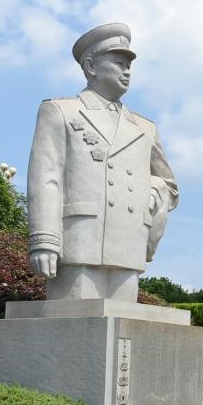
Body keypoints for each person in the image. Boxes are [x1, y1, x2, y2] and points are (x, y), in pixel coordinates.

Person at [27, 23, 179, 302]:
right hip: (80, 237)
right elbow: (46, 178)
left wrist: (151, 193)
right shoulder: (60, 111)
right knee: (74, 317)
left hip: (129, 238)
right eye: (119, 63)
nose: (127, 71)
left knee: (125, 322)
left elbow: (169, 184)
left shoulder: (144, 128)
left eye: (129, 65)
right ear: (91, 66)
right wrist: (45, 239)